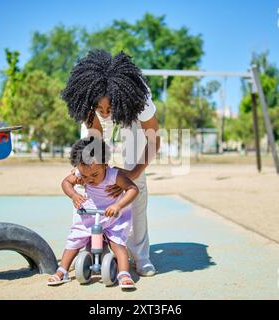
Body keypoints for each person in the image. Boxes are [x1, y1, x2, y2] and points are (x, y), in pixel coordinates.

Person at [61, 49, 160, 277]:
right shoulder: (90, 103)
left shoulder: (140, 100)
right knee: (88, 178)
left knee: (137, 184)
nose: (106, 114)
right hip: (99, 123)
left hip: (130, 118)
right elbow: (95, 144)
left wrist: (132, 174)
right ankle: (93, 241)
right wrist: (87, 172)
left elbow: (154, 140)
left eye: (109, 108)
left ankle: (141, 256)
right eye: (101, 108)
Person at [47, 137, 139, 289]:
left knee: (118, 244)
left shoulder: (113, 175)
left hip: (112, 216)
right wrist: (73, 195)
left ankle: (123, 273)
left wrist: (118, 205)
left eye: (95, 175)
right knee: (74, 240)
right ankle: (62, 270)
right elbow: (66, 182)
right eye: (85, 176)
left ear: (104, 164)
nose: (89, 180)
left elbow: (132, 189)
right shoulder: (81, 171)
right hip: (90, 214)